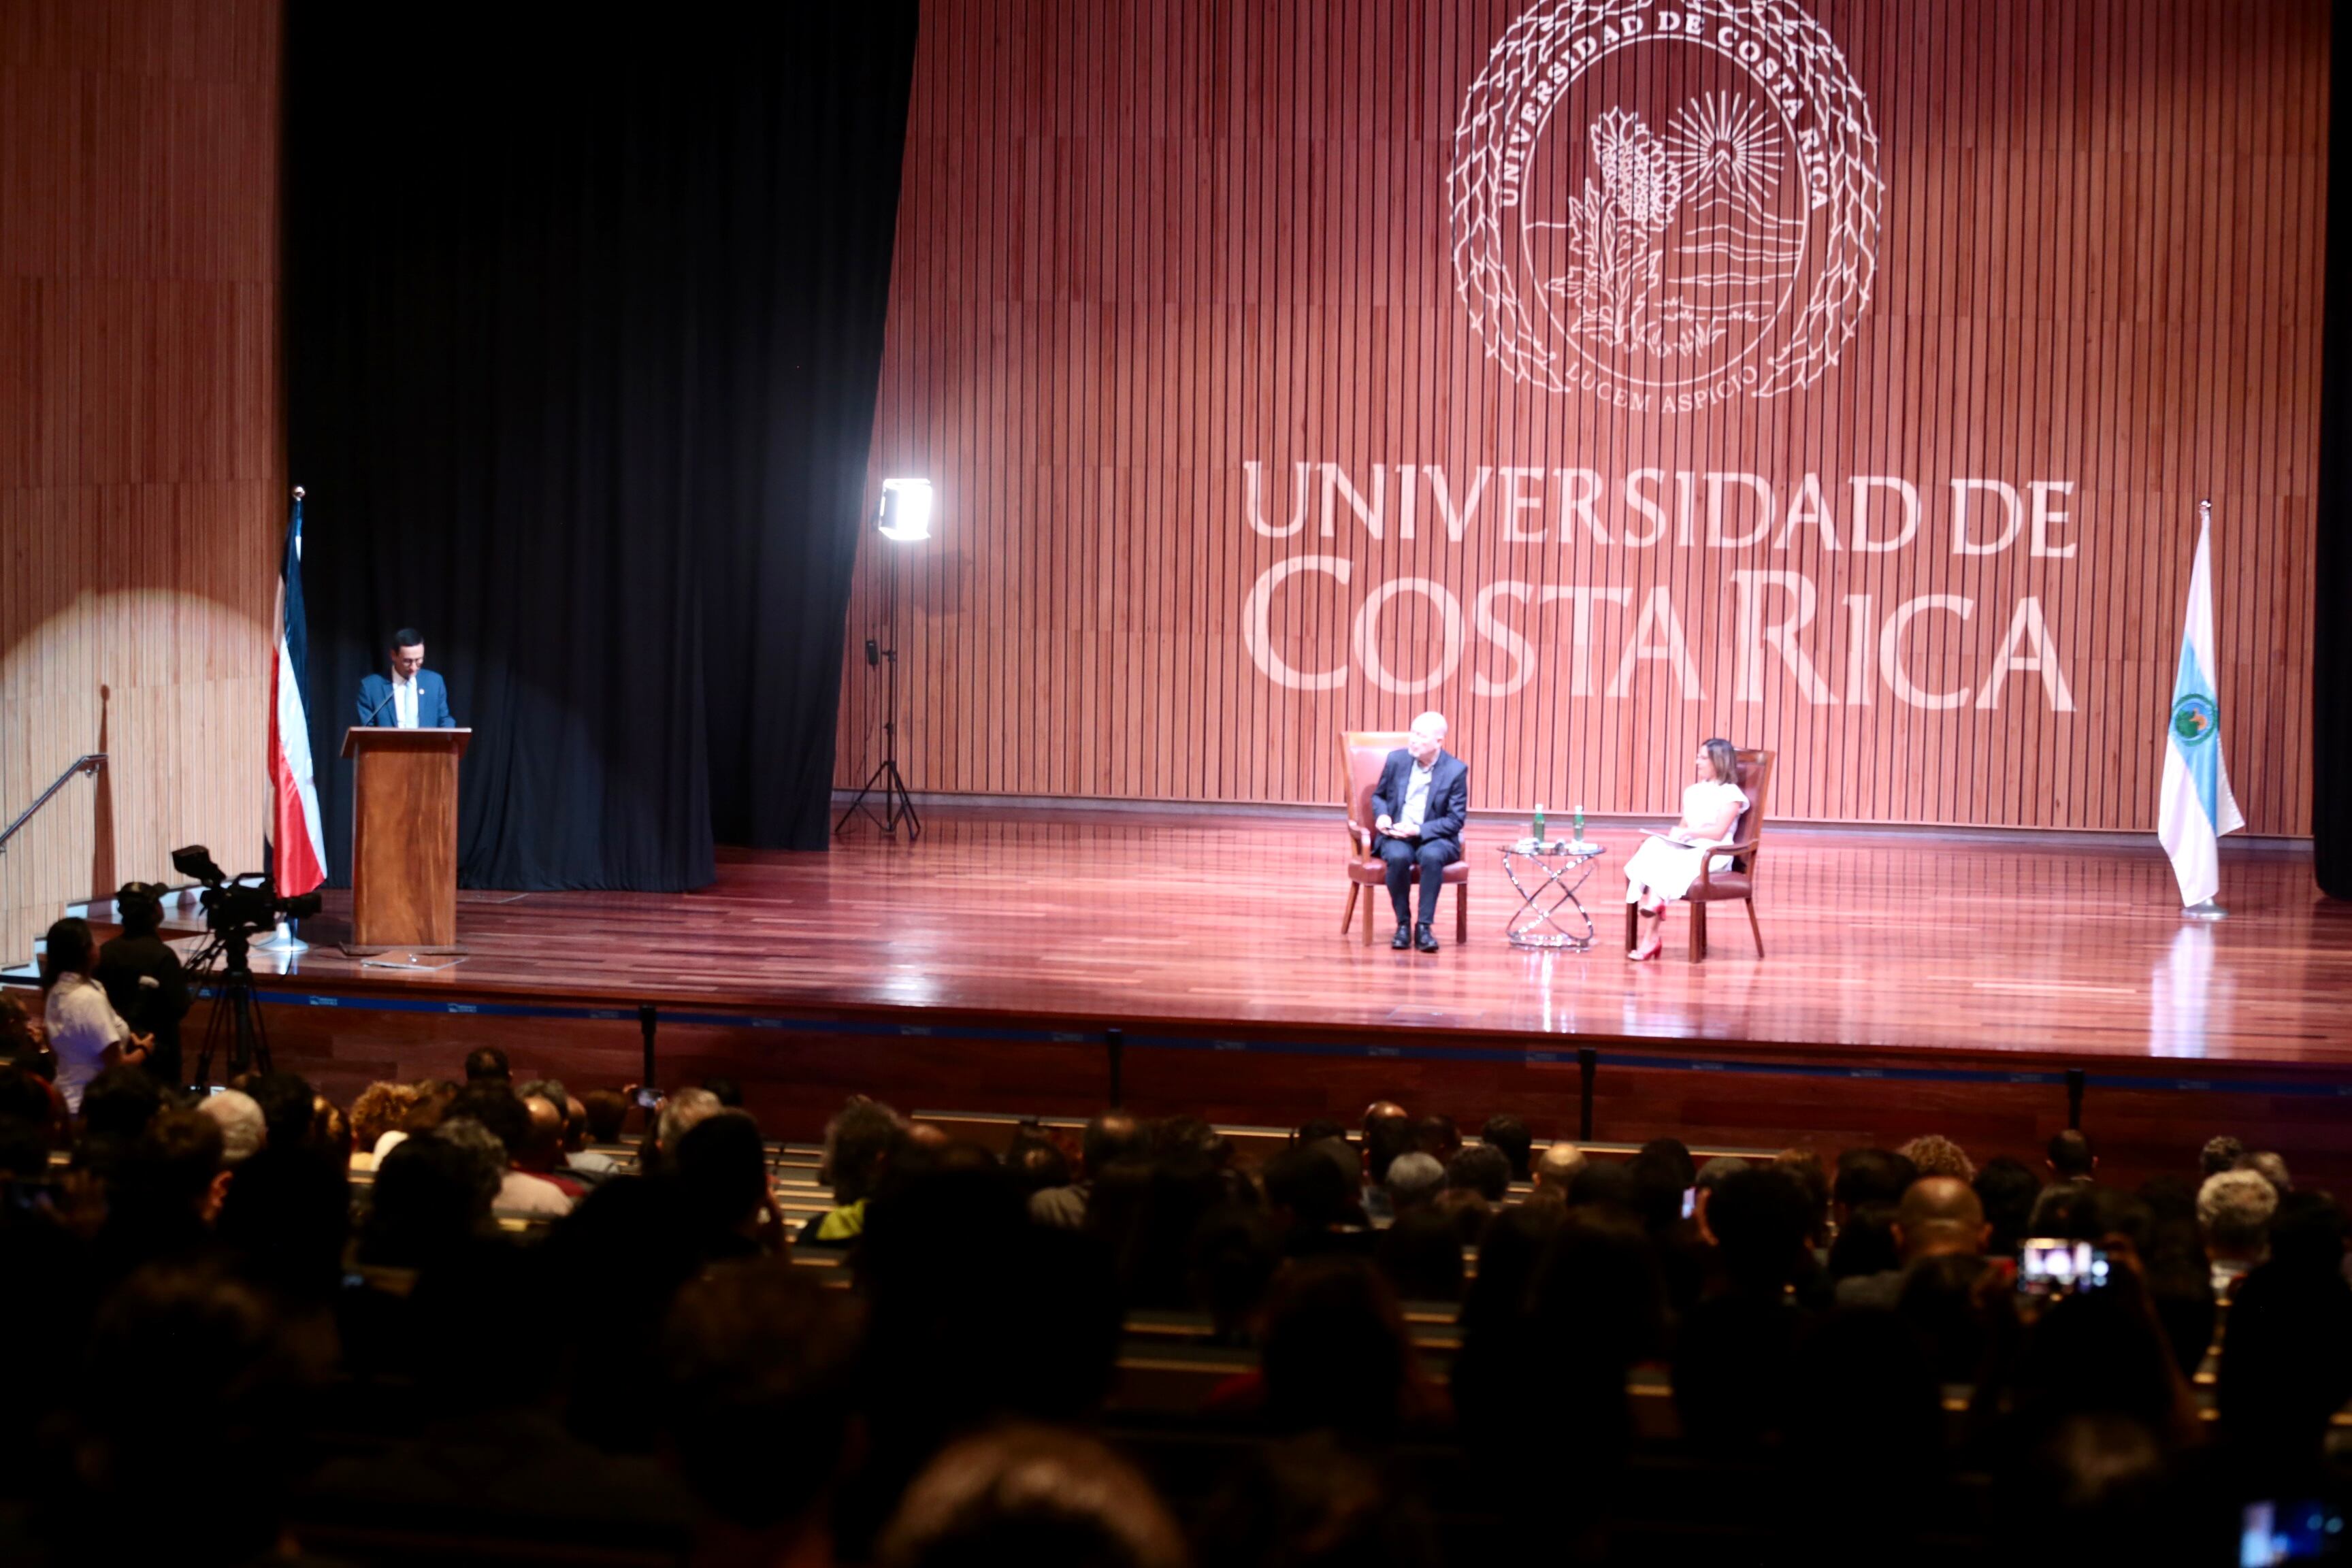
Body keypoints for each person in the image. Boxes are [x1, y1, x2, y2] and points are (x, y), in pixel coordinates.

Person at [1624, 737, 1749, 961]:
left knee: (1666, 866)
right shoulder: (1692, 791)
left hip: (1713, 852)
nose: (1697, 762)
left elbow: (1719, 832)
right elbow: (1684, 825)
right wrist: (1672, 836)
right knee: (1654, 846)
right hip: (1690, 847)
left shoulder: (1731, 794)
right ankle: (1655, 910)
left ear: (1718, 761)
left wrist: (1690, 834)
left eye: (1702, 758)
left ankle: (1652, 927)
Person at [1368, 710, 1469, 953]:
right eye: (1412, 732)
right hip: (1397, 833)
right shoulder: (1396, 760)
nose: (1413, 739)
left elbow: (1455, 820)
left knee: (1433, 857)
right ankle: (1403, 924)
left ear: (1439, 742)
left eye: (1421, 736)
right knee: (1399, 857)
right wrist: (1382, 815)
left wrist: (1418, 829)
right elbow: (1379, 796)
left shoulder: (1455, 770)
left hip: (1434, 836)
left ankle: (1424, 927)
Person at [41, 917, 150, 1112]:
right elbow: (115, 1066)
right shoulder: (87, 999)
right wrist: (145, 1051)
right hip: (92, 1104)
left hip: (67, 1099)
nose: (98, 946)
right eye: (93, 941)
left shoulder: (55, 992)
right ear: (85, 950)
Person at [94, 882, 191, 1089]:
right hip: (159, 1059)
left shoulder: (106, 952)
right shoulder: (163, 956)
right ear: (155, 910)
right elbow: (179, 1007)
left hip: (117, 1050)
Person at [357, 626, 455, 728]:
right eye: (407, 661)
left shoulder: (434, 682)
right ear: (393, 655)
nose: (413, 667)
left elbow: (444, 718)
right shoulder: (370, 687)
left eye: (419, 660)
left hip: (427, 744)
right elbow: (367, 729)